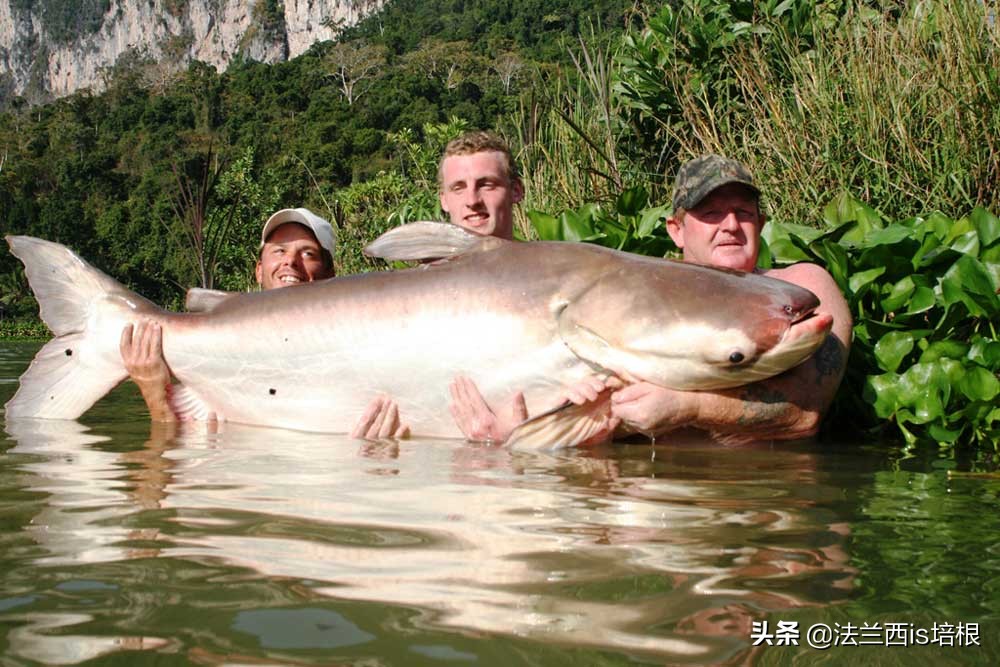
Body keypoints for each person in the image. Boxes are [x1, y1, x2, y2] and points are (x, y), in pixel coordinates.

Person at [607, 154, 852, 444]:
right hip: (646, 481)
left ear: (760, 223)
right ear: (676, 230)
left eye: (743, 212)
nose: (731, 225)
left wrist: (687, 407)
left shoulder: (802, 288)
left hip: (770, 483)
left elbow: (804, 415)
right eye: (711, 213)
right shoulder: (635, 295)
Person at [120, 208, 409, 440]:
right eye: (279, 251)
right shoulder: (216, 355)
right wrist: (154, 392)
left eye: (307, 253)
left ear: (330, 271)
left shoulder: (366, 342)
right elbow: (173, 457)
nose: (290, 262)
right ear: (259, 270)